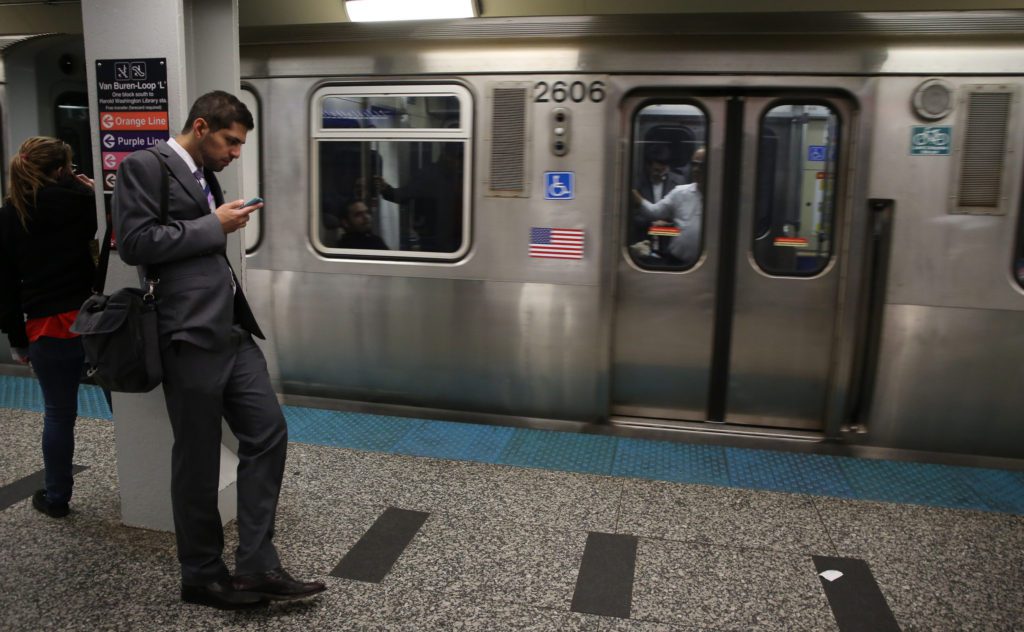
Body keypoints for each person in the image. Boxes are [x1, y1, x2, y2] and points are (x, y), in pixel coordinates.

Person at [112, 90, 325, 610]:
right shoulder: (146, 165)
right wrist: (215, 225)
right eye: (230, 141)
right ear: (202, 126)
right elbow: (135, 243)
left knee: (267, 432)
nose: (235, 153)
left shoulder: (204, 174)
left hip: (229, 330)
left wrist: (217, 222)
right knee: (199, 458)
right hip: (187, 334)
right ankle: (202, 574)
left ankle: (256, 565)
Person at [0, 137, 96, 519]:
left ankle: (57, 498)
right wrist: (83, 188)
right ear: (62, 171)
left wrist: (17, 339)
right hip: (92, 324)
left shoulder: (9, 215)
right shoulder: (81, 203)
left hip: (45, 329)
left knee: (58, 415)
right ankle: (147, 491)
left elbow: (5, 287)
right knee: (124, 406)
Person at [375, 142, 463, 252]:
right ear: (445, 155)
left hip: (456, 237)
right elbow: (404, 195)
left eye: (459, 161)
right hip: (435, 239)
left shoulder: (460, 176)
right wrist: (385, 189)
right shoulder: (430, 175)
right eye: (455, 159)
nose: (457, 164)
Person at [631, 146, 706, 267]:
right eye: (694, 164)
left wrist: (667, 227)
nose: (696, 169)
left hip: (704, 263)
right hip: (676, 261)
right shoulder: (680, 192)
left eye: (701, 165)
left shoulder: (720, 199)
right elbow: (653, 212)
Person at [630, 144, 688, 245]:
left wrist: (668, 224)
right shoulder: (636, 183)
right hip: (644, 241)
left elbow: (684, 215)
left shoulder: (679, 183)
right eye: (656, 170)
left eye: (663, 170)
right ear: (648, 167)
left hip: (670, 242)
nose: (660, 174)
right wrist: (651, 224)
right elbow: (632, 215)